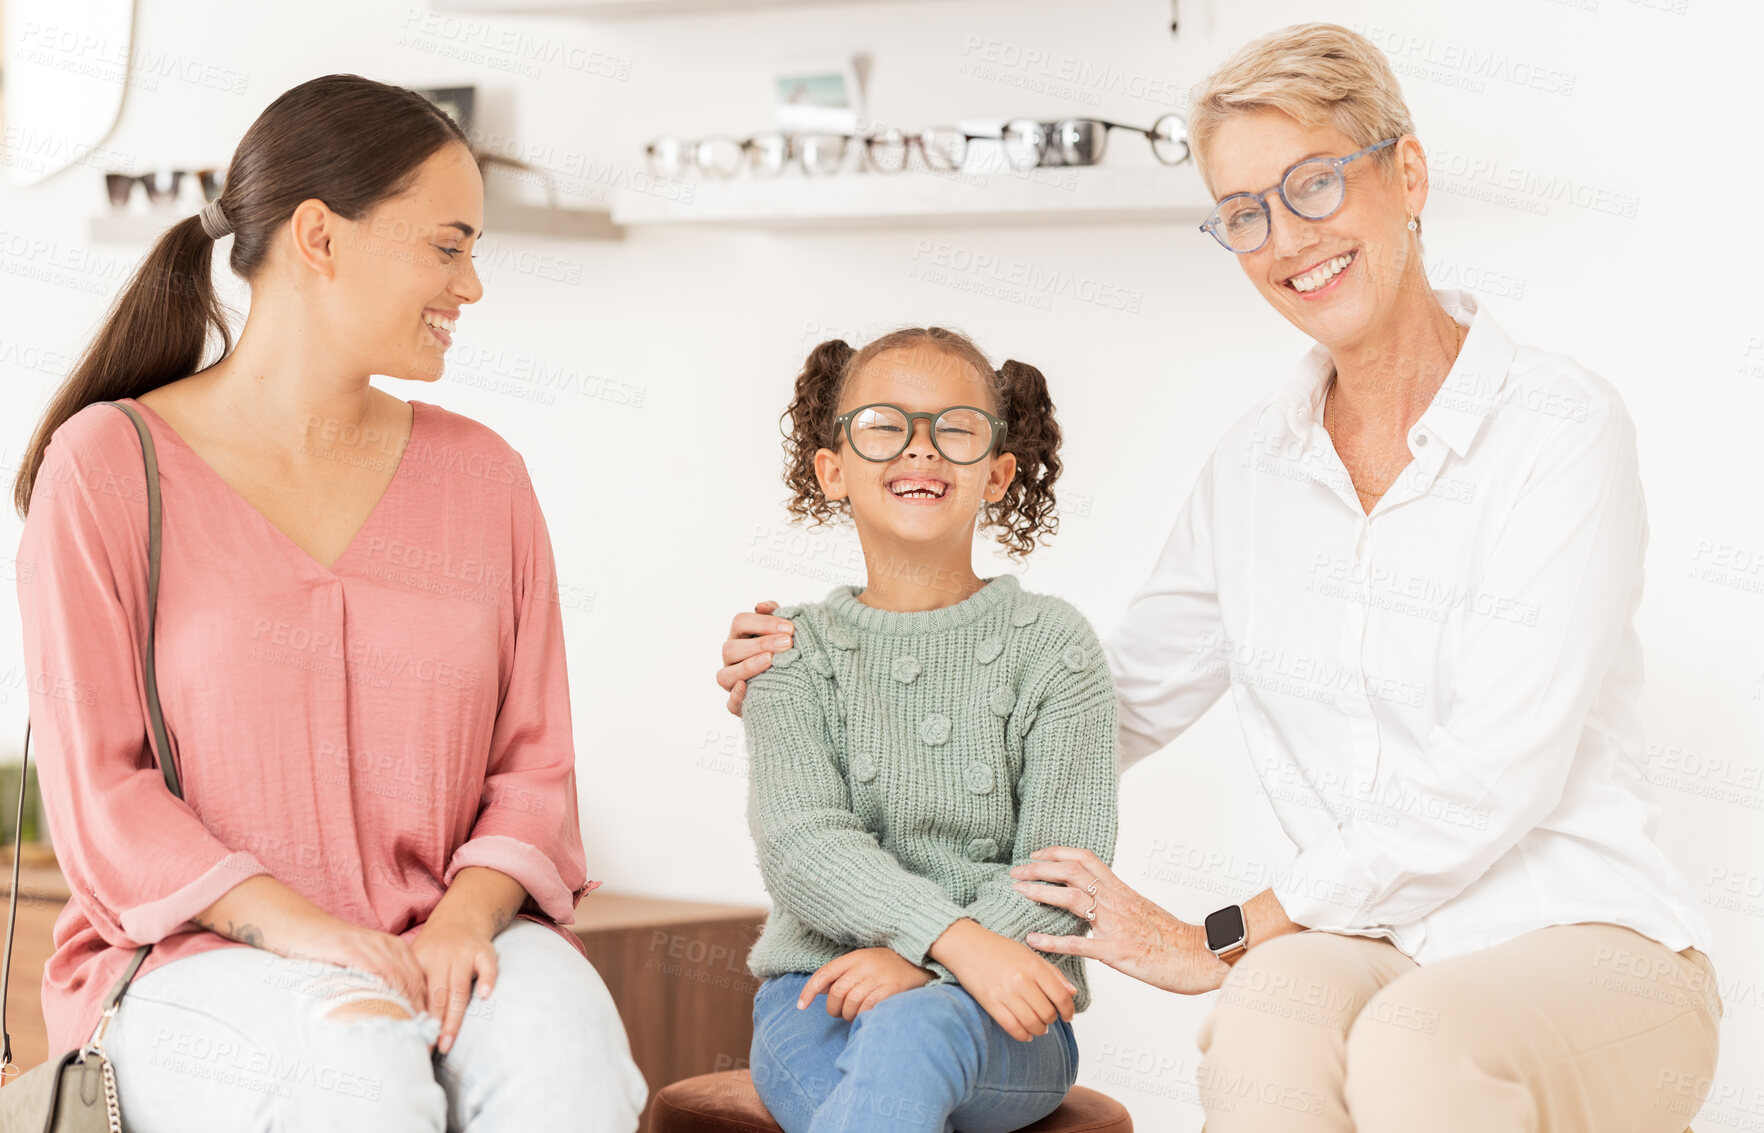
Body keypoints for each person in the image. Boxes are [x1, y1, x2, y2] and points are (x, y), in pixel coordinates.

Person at [718, 24, 1720, 1133]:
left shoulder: (1559, 429)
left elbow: (1494, 769)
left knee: (1398, 1044)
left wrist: (1222, 932)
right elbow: (1106, 699)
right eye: (1245, 212)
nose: (1287, 237)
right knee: (1266, 1019)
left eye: (1315, 183)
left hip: (1582, 940)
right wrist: (846, 673)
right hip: (1372, 945)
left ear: (1409, 173)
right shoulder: (1255, 467)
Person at [13, 73, 647, 1132]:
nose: (473, 286)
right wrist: (303, 927)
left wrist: (461, 921)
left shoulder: (483, 478)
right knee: (353, 1063)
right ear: (319, 236)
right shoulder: (108, 466)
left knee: (563, 1053)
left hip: (455, 928)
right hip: (188, 955)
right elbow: (100, 792)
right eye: (448, 246)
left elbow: (534, 771)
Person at [740, 329, 1119, 1133]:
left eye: (955, 428)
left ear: (997, 473)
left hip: (1007, 1006)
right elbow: (804, 848)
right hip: (817, 994)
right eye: (885, 425)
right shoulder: (787, 649)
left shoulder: (1054, 645)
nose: (921, 451)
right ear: (832, 469)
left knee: (911, 1034)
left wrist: (930, 961)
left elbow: (1065, 870)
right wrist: (944, 935)